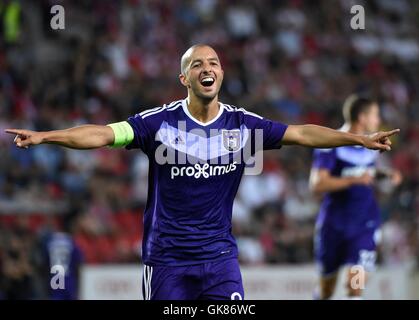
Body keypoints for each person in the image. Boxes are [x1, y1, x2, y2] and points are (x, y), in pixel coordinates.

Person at [6, 44, 399, 300]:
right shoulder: (157, 123)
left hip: (219, 259)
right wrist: (46, 136)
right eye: (197, 64)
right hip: (166, 261)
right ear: (185, 79)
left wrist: (358, 140)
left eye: (213, 62)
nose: (207, 68)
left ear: (221, 75)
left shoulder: (243, 124)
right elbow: (101, 134)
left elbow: (301, 133)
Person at [309, 95, 402, 300]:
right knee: (326, 290)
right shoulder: (330, 142)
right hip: (333, 225)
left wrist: (386, 175)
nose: (378, 120)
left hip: (364, 225)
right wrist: (354, 180)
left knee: (355, 286)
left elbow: (366, 172)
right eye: (375, 115)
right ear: (362, 117)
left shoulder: (372, 141)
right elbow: (317, 184)